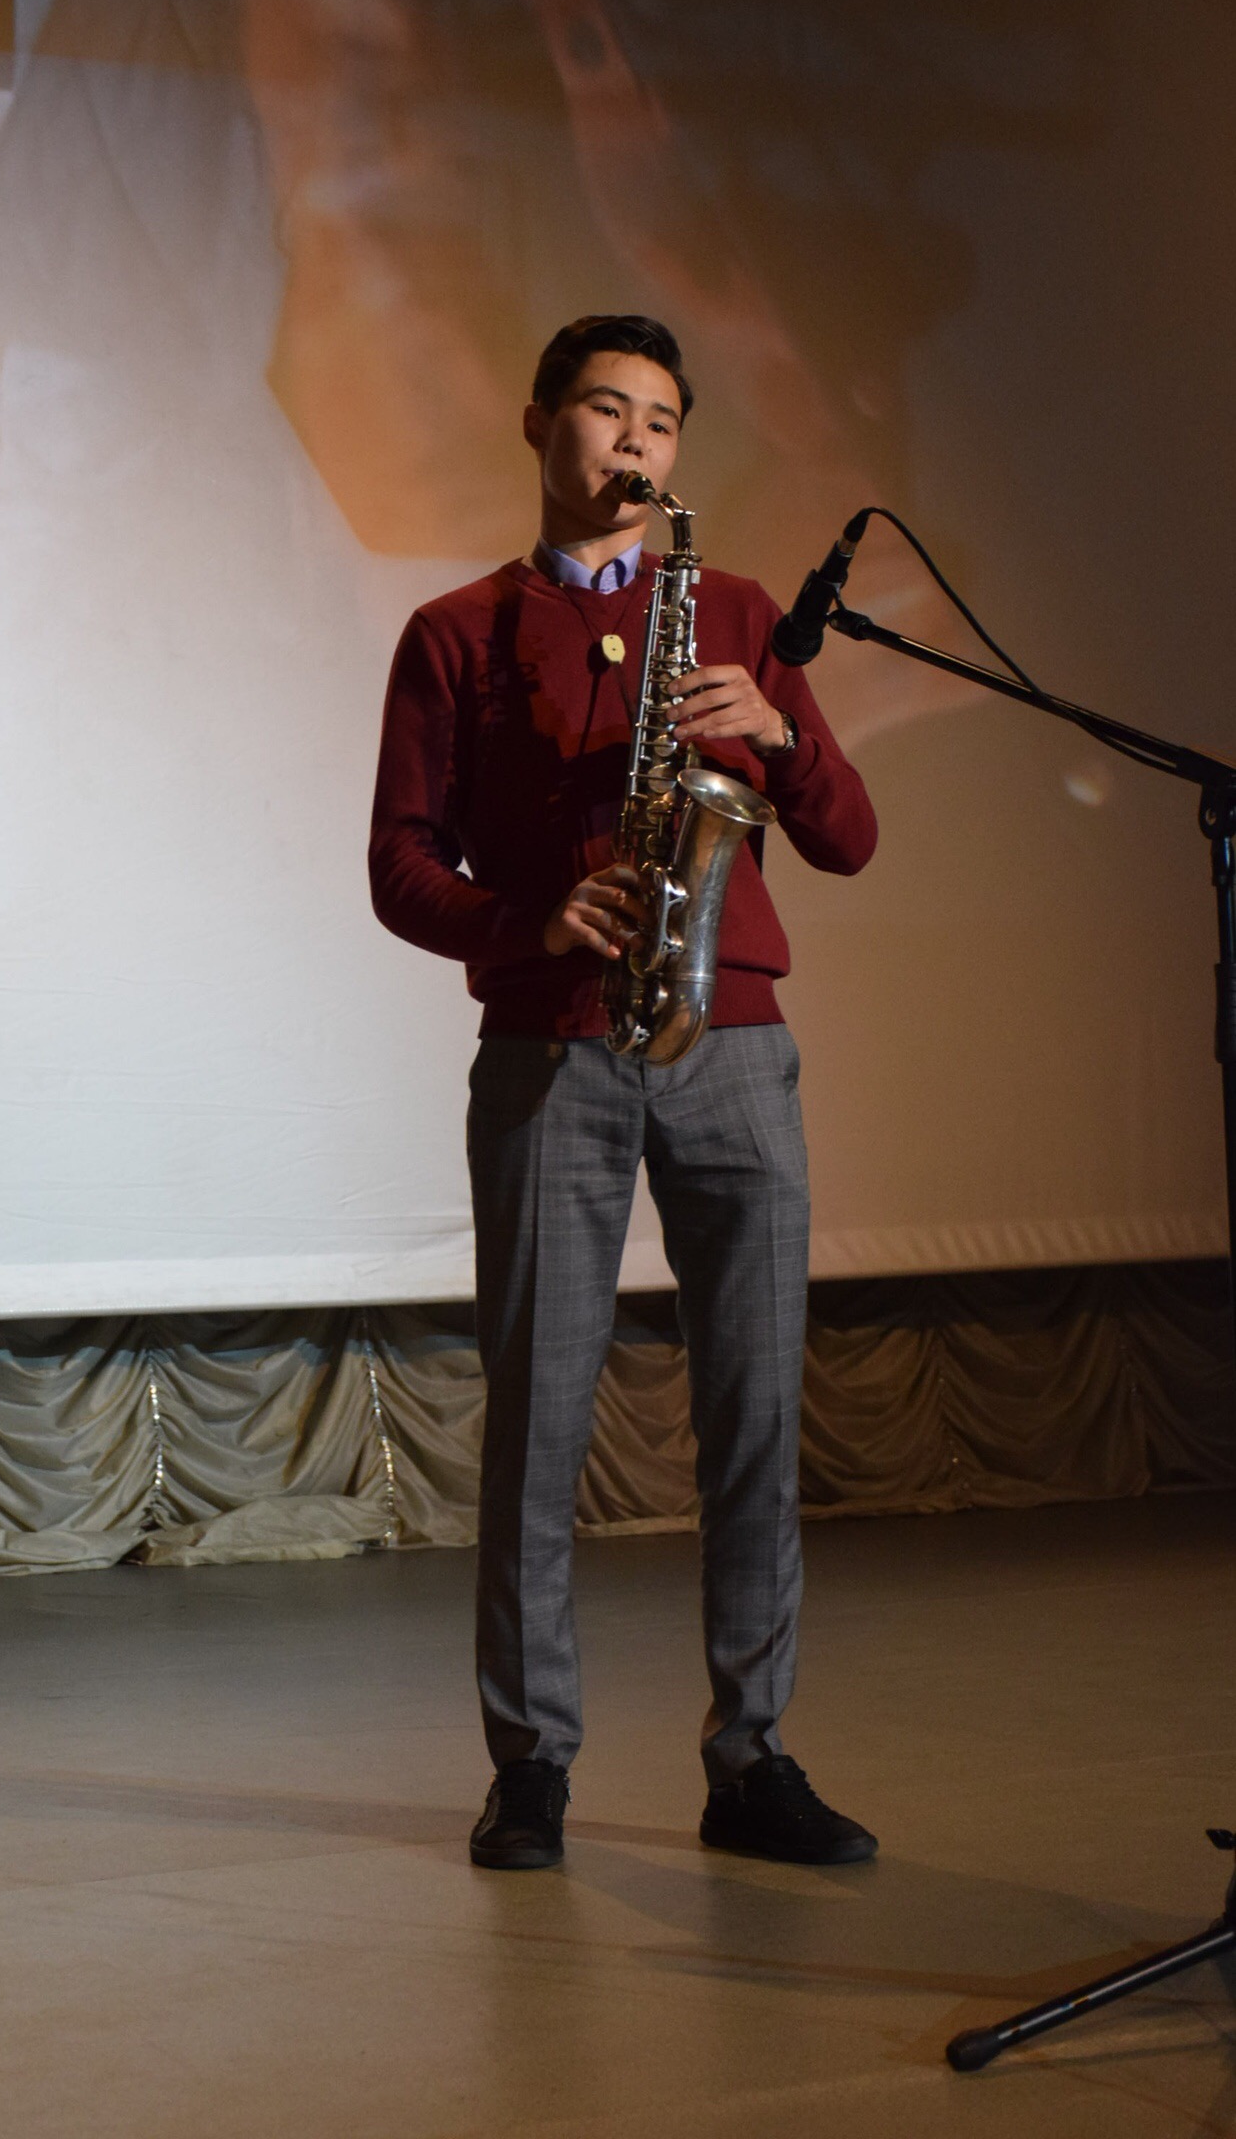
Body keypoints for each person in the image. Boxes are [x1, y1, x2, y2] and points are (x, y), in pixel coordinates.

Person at [369, 313, 879, 1872]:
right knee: (537, 1420)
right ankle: (530, 1767)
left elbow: (849, 838)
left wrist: (778, 734)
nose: (638, 441)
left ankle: (752, 1758)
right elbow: (398, 863)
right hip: (552, 1050)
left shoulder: (733, 612)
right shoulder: (455, 630)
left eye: (662, 419)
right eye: (607, 410)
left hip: (733, 1044)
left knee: (756, 1411)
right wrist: (525, 924)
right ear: (541, 425)